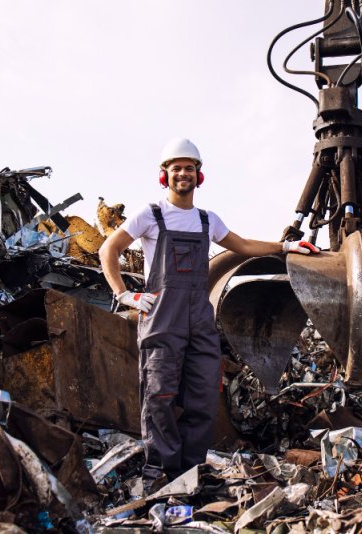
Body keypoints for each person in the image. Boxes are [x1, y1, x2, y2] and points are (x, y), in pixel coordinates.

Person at [99, 137, 319, 490]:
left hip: (199, 320)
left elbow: (244, 246)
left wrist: (287, 246)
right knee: (160, 397)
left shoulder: (206, 220)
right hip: (162, 320)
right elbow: (108, 248)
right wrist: (124, 294)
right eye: (176, 169)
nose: (183, 174)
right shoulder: (150, 215)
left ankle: (189, 473)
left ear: (199, 176)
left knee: (203, 397)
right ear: (164, 176)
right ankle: (160, 474)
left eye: (189, 168)